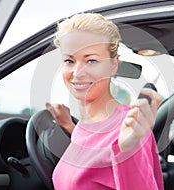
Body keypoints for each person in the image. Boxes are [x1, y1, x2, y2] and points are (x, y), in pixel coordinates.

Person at [46, 13, 164, 190]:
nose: (78, 72)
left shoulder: (131, 130)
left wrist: (127, 149)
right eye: (69, 60)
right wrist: (69, 126)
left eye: (91, 60)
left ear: (113, 65)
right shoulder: (84, 126)